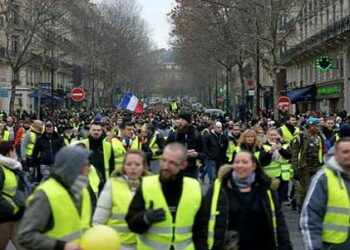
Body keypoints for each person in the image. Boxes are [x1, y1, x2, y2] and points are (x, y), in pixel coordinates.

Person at [204, 151, 292, 250]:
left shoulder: (266, 188)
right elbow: (203, 220)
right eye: (236, 162)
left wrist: (285, 245)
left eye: (244, 162)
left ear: (253, 166)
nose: (240, 165)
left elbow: (279, 220)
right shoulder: (219, 188)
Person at [126, 143, 207, 249]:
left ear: (183, 165)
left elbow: (201, 230)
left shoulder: (194, 187)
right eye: (163, 160)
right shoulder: (146, 185)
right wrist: (145, 218)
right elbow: (131, 223)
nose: (165, 166)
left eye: (172, 162)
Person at [17, 147, 92, 250]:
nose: (90, 169)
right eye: (85, 165)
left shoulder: (82, 190)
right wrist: (61, 246)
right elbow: (25, 236)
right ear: (72, 167)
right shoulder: (45, 194)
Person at [93, 150, 149, 250]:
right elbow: (99, 220)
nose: (133, 168)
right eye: (129, 164)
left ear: (144, 166)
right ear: (123, 166)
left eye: (137, 164)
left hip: (144, 245)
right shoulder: (112, 184)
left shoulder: (152, 185)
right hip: (118, 245)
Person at [300, 138, 350, 250]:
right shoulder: (324, 178)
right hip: (333, 245)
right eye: (345, 152)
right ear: (336, 155)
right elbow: (310, 218)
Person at [291, 117, 324, 208]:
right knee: (304, 189)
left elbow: (323, 151)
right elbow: (294, 154)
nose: (318, 128)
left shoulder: (319, 137)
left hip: (317, 166)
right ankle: (302, 206)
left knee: (316, 188)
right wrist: (295, 168)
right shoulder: (300, 137)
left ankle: (299, 201)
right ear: (310, 126)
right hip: (304, 166)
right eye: (316, 126)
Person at [0, 142, 27, 250]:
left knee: (22, 244)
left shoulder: (13, 167)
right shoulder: (1, 169)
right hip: (4, 216)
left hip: (17, 214)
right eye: (14, 150)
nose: (16, 153)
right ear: (9, 152)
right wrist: (11, 208)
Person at [166, 112, 207, 178]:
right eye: (179, 119)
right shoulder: (173, 135)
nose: (179, 121)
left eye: (182, 119)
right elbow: (166, 151)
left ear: (189, 123)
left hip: (191, 170)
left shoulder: (196, 135)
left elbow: (204, 153)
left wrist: (197, 154)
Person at [260, 128, 293, 203]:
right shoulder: (264, 146)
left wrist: (281, 149)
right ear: (268, 136)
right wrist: (270, 152)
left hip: (283, 174)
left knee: (280, 197)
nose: (273, 137)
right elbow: (263, 161)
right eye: (271, 135)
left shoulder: (284, 144)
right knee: (271, 197)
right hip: (270, 175)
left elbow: (289, 155)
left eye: (275, 135)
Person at [81, 122, 114, 189]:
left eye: (98, 130)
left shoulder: (107, 145)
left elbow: (112, 165)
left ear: (102, 132)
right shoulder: (82, 144)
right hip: (87, 182)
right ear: (89, 131)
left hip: (104, 181)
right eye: (94, 130)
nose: (96, 132)